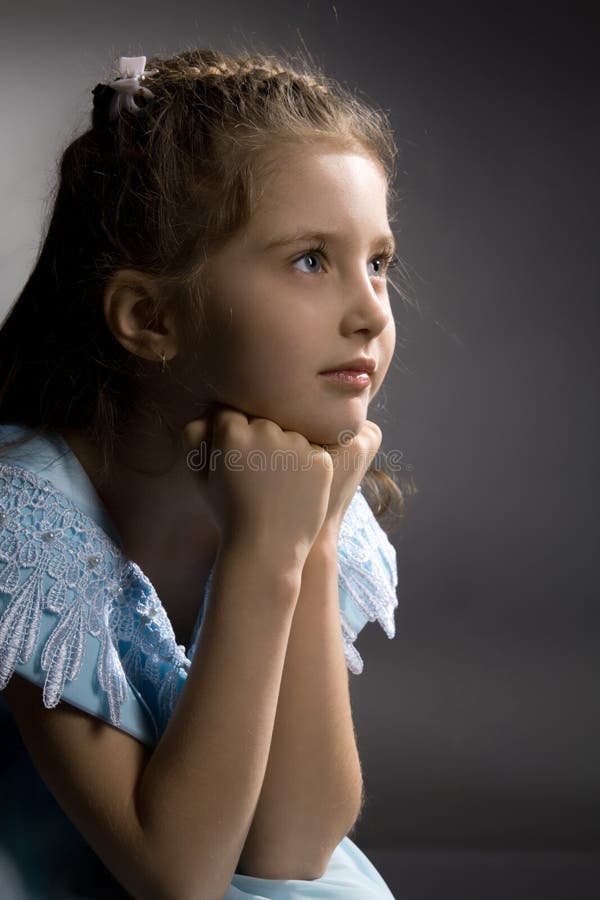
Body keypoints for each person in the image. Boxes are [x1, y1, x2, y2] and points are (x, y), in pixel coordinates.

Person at [0, 48, 413, 899]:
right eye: (310, 260)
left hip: (217, 845)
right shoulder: (22, 524)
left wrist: (319, 538)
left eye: (379, 261)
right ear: (150, 317)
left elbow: (294, 846)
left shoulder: (291, 474)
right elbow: (178, 877)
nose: (371, 310)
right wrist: (267, 551)